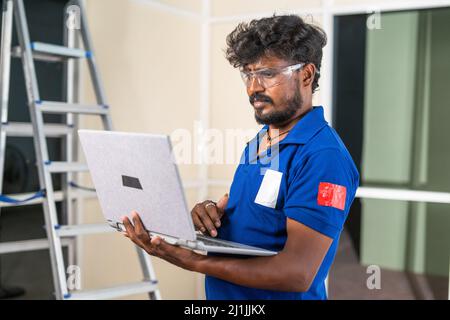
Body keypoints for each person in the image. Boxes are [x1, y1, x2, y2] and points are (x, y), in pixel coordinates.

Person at [122, 14, 360, 300]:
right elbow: (258, 215)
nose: (252, 88)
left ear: (306, 75)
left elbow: (297, 272)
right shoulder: (261, 140)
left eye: (268, 74)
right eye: (248, 74)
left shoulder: (323, 157)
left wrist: (194, 261)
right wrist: (211, 213)